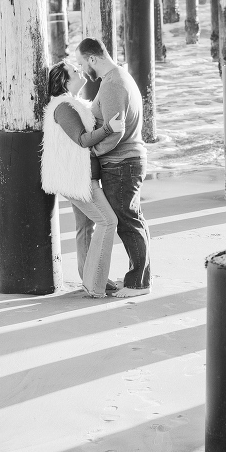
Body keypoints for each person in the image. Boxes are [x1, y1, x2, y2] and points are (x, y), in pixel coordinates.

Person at [76, 37, 152, 295]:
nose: (83, 68)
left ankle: (138, 283)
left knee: (127, 222)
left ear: (93, 59)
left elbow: (114, 131)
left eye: (82, 62)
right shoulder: (120, 77)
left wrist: (93, 150)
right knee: (133, 219)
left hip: (121, 163)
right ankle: (139, 277)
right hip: (128, 161)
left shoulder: (112, 84)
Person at [40, 61, 123, 299]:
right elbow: (82, 139)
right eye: (74, 70)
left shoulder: (74, 104)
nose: (79, 70)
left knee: (87, 227)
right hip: (77, 179)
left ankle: (91, 278)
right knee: (108, 221)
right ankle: (94, 283)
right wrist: (109, 128)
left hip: (80, 176)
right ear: (65, 81)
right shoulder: (64, 107)